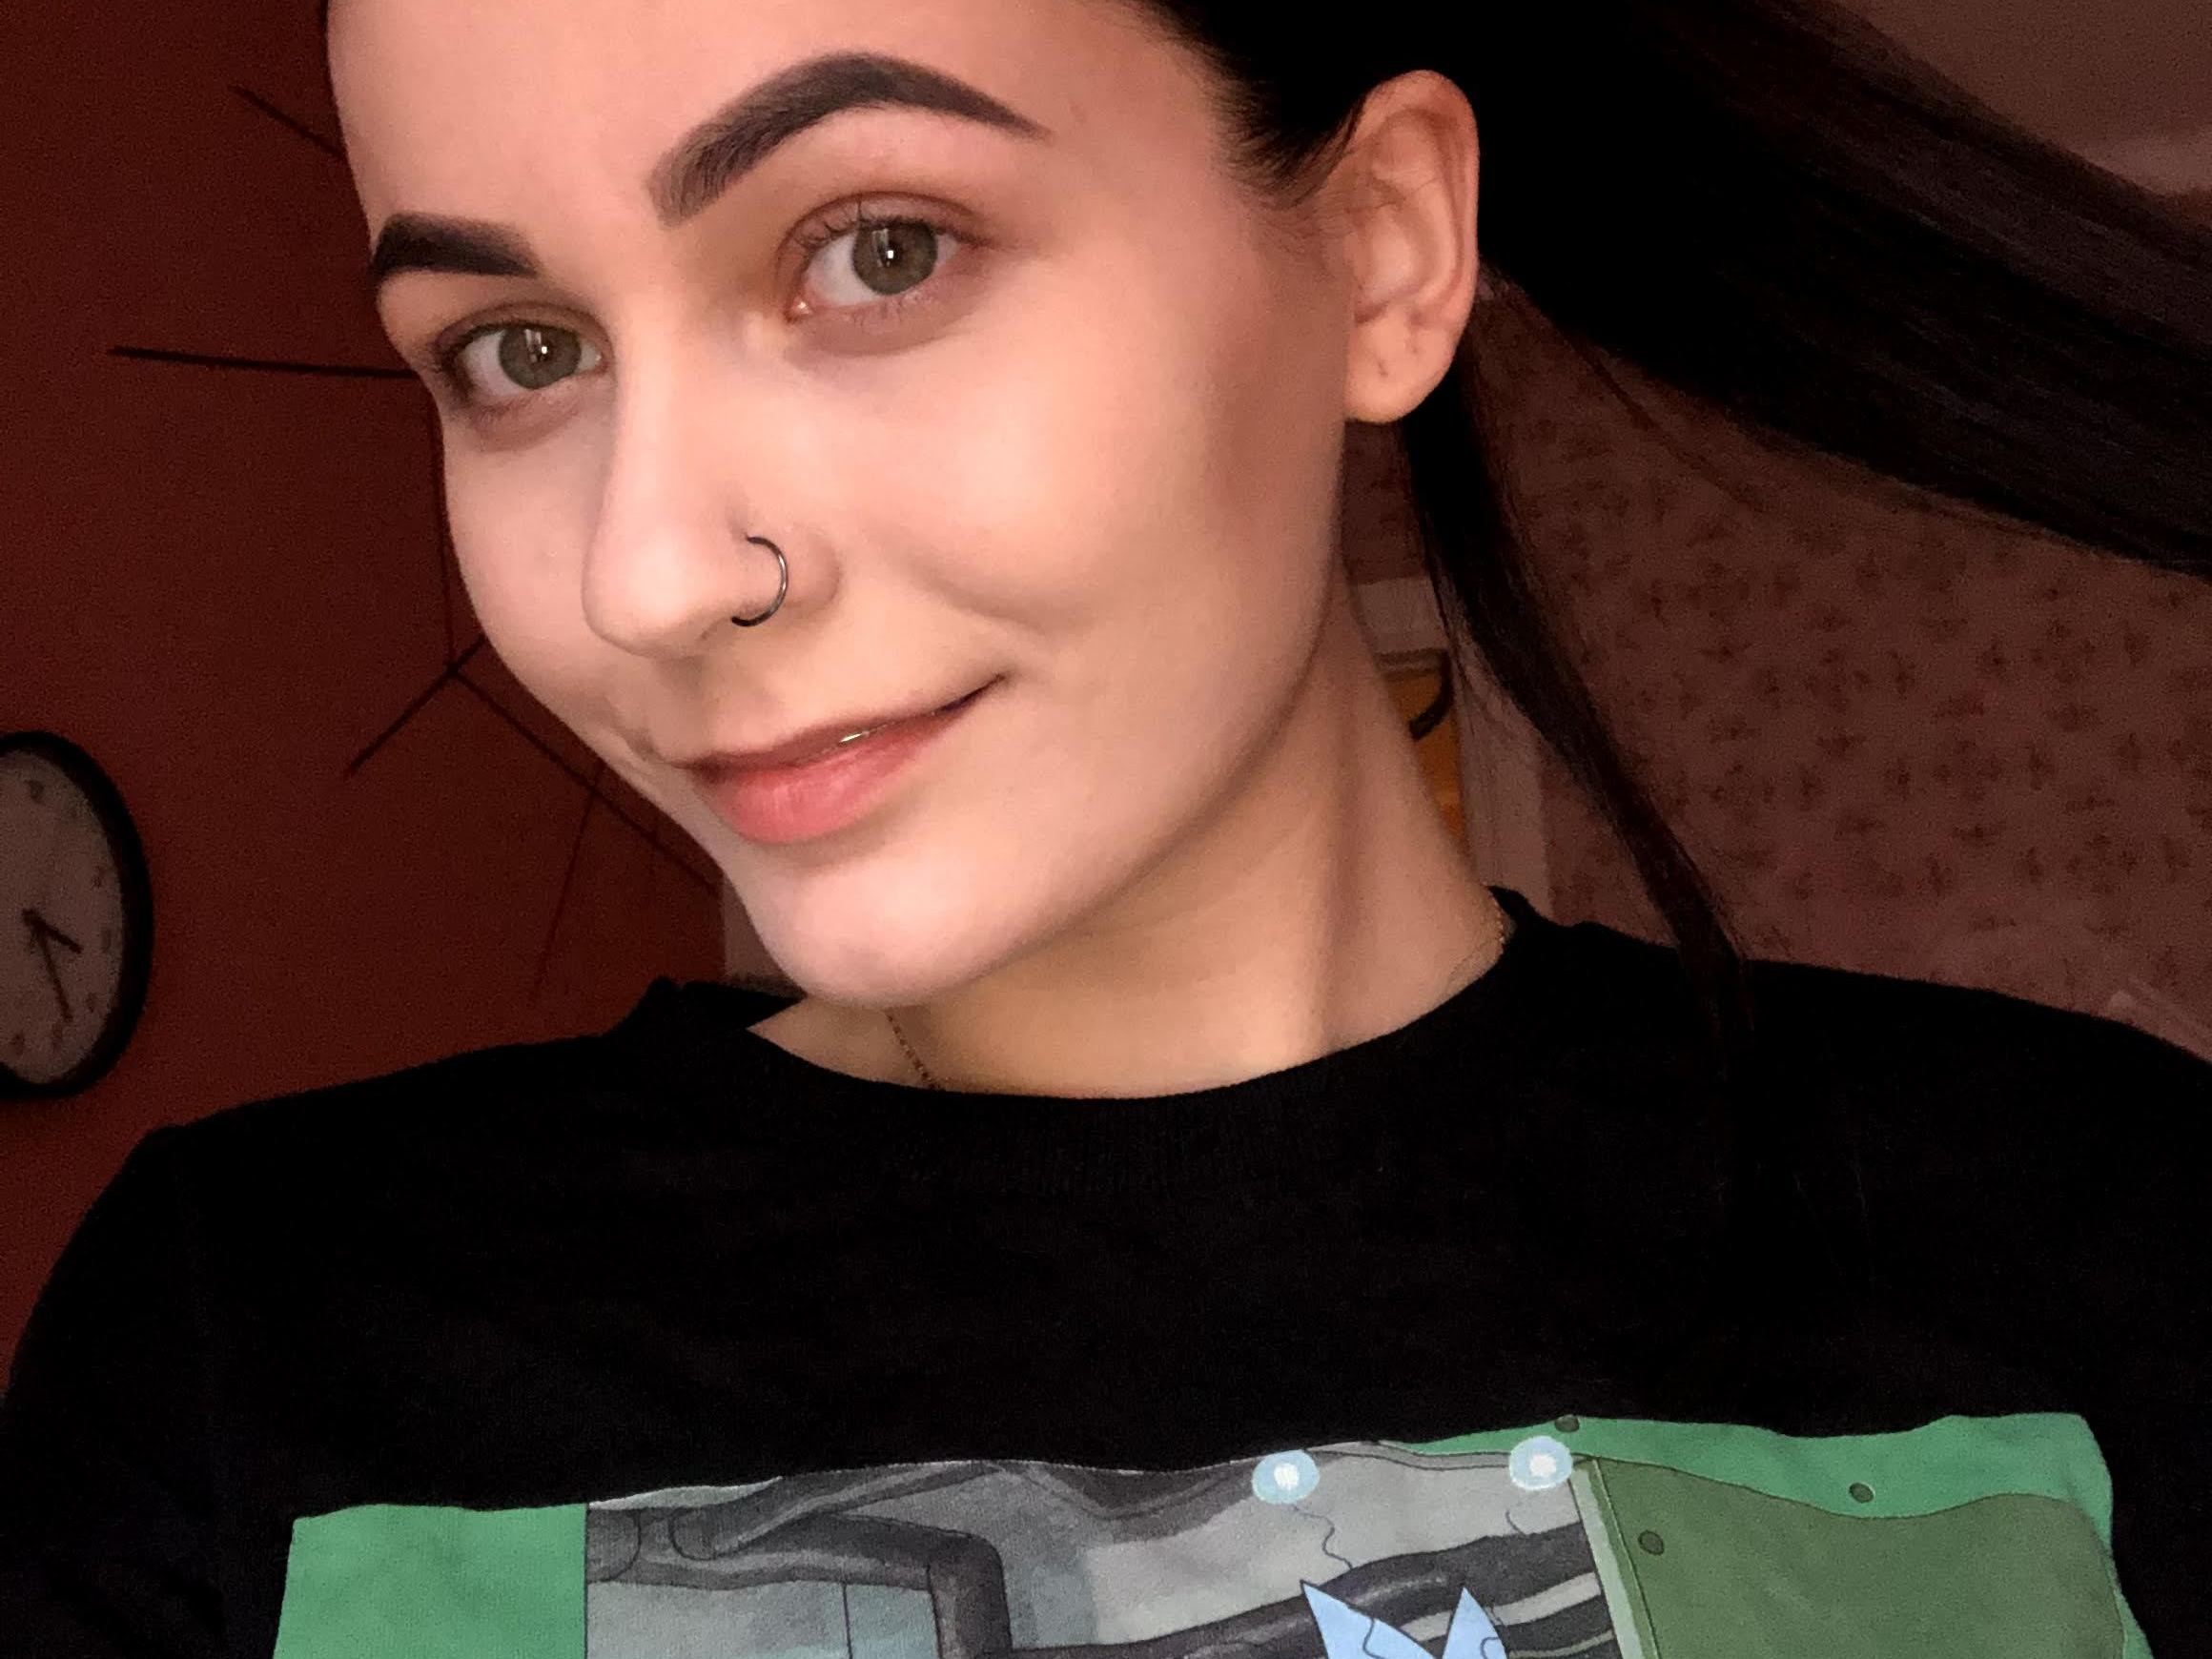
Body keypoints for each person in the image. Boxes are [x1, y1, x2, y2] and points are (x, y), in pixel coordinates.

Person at [5, 0, 2209, 1652]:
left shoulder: (2106, 1227)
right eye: (514, 350)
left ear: (1376, 251)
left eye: (876, 252)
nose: (648, 570)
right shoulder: (244, 1334)